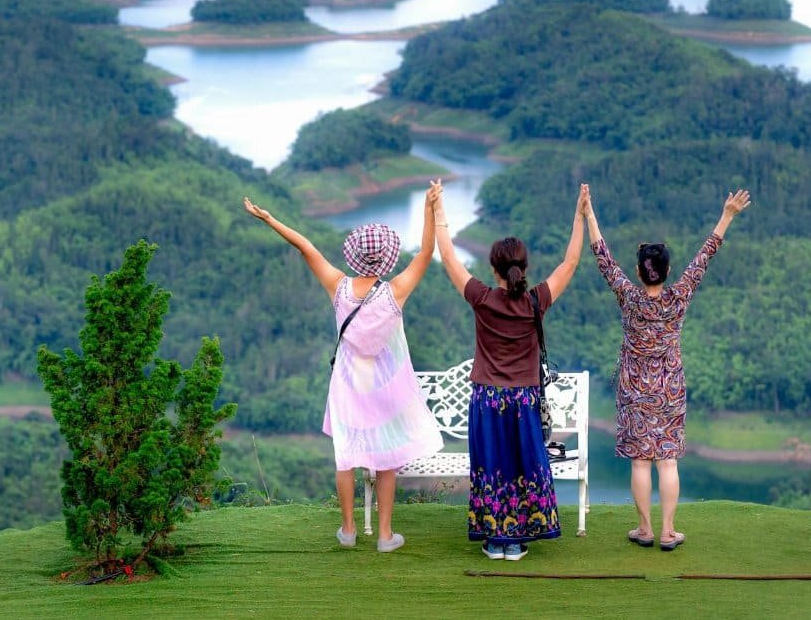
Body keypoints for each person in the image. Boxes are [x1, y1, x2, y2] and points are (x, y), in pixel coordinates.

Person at [242, 188, 444, 553]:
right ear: (386, 258)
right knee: (386, 460)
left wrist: (269, 219)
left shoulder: (339, 287)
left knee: (346, 456)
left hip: (349, 384)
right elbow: (427, 252)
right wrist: (431, 207)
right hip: (385, 388)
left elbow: (306, 248)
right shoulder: (395, 291)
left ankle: (349, 529)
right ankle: (384, 536)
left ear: (355, 257)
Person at [582, 188, 751, 551]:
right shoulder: (679, 295)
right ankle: (668, 531)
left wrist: (589, 214)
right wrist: (727, 215)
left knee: (641, 461)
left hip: (633, 388)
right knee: (667, 460)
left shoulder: (628, 294)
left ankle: (644, 529)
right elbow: (705, 256)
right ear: (668, 271)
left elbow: (603, 258)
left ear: (640, 272)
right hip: (670, 388)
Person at [433, 181, 588, 561]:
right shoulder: (536, 301)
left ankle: (494, 539)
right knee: (523, 463)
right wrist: (580, 214)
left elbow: (449, 258)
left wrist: (438, 209)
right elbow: (569, 263)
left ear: (493, 267)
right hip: (524, 399)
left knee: (491, 465)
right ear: (525, 266)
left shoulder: (482, 299)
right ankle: (517, 540)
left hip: (486, 398)